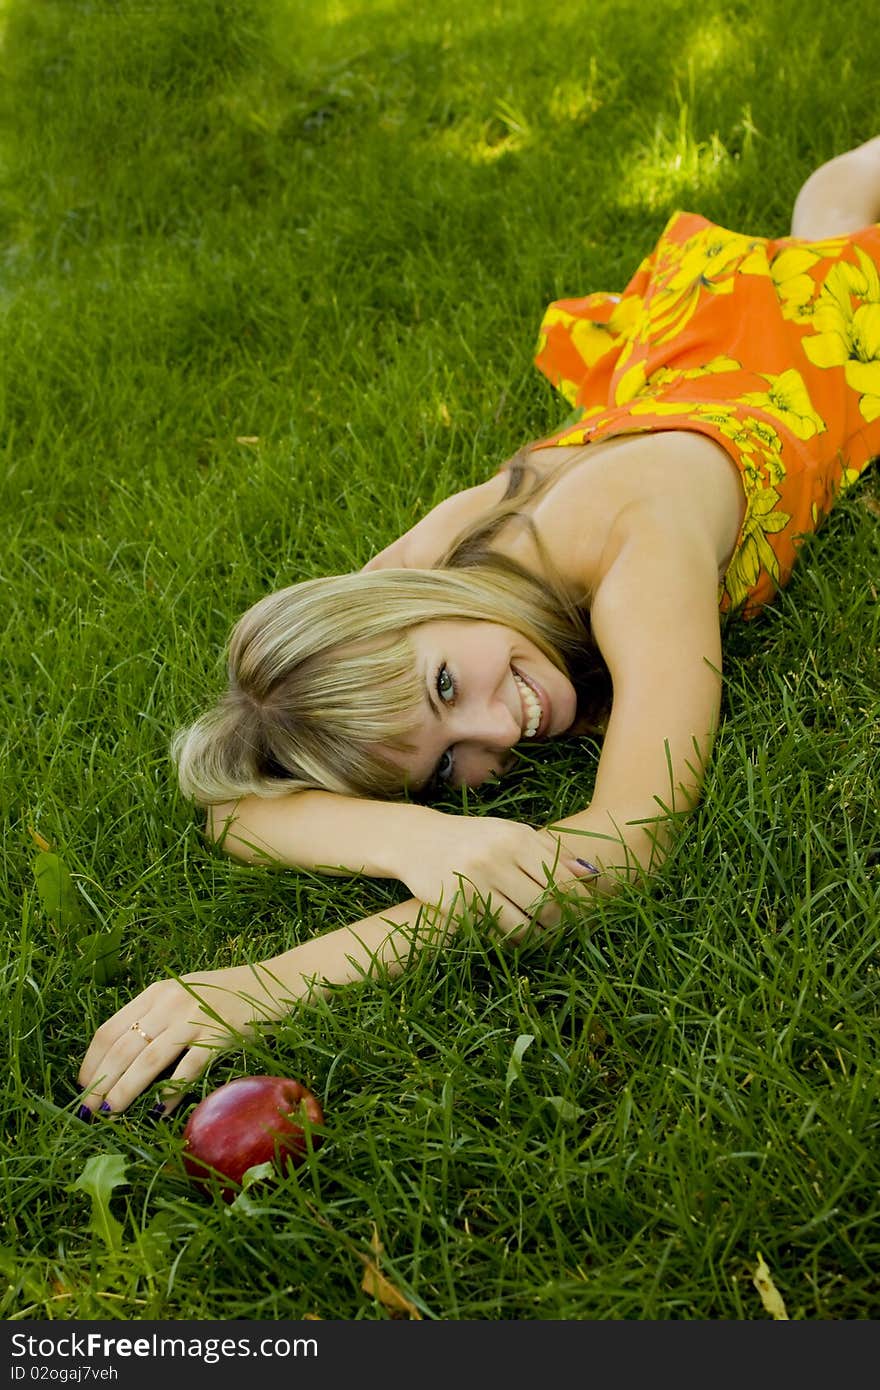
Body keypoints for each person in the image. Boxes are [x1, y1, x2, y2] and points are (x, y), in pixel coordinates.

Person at [78, 136, 880, 1120]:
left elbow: (626, 845)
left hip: (782, 370)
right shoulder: (424, 600)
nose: (503, 733)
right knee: (829, 214)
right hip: (672, 384)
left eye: (448, 689)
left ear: (416, 605)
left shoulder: (641, 551)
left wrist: (274, 980)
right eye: (451, 766)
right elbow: (233, 808)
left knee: (838, 244)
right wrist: (420, 841)